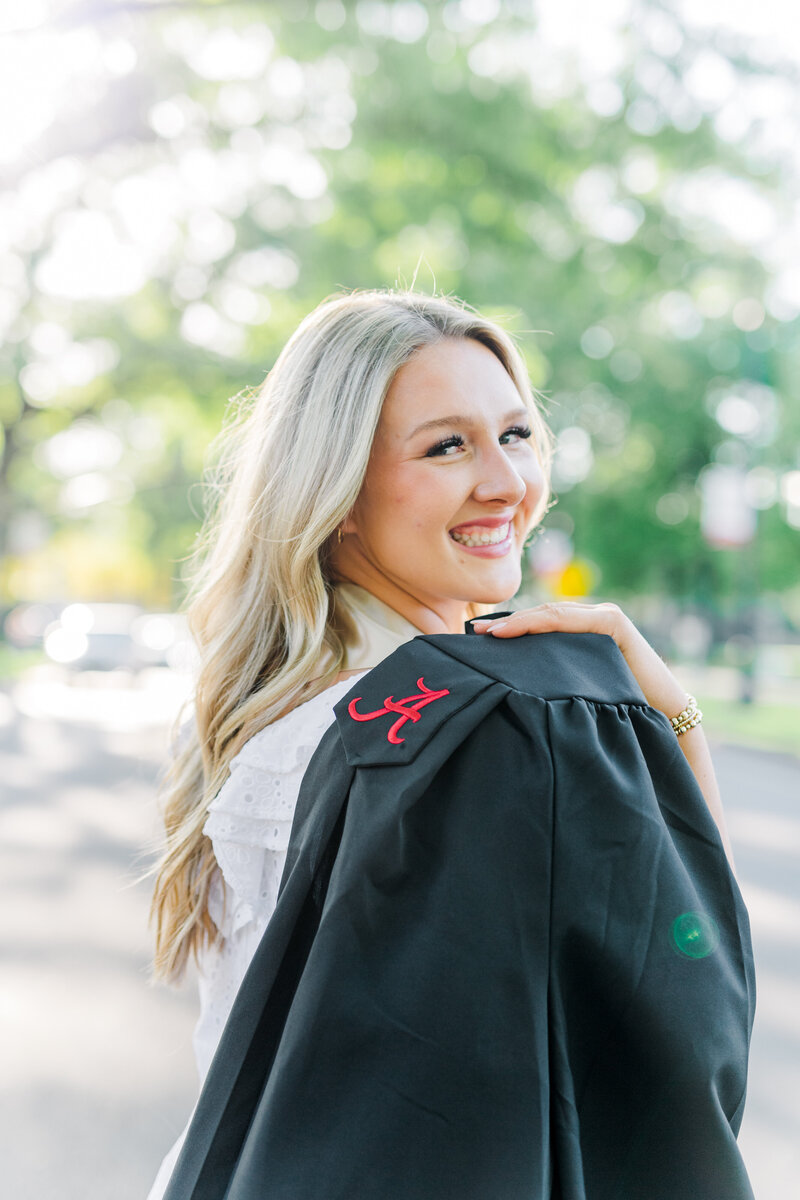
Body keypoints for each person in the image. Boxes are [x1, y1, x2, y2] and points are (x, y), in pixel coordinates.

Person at [147, 288, 742, 1198]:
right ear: (337, 493)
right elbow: (683, 1002)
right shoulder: (479, 731)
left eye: (515, 435)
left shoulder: (274, 708)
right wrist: (666, 722)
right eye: (446, 446)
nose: (507, 482)